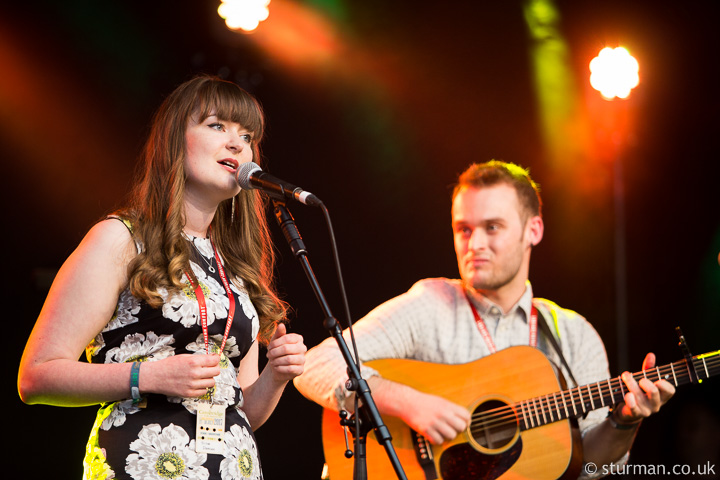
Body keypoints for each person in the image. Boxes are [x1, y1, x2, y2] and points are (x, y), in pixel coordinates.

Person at [293, 160, 675, 479]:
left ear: (533, 230)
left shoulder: (574, 334)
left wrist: (624, 422)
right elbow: (313, 365)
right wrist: (407, 402)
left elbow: (587, 465)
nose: (474, 244)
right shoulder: (431, 303)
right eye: (464, 229)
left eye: (492, 227)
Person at [17, 75, 307, 479]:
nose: (237, 144)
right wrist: (146, 375)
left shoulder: (235, 270)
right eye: (217, 125)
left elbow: (242, 411)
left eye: (248, 136)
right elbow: (36, 376)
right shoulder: (121, 239)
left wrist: (276, 377)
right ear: (175, 138)